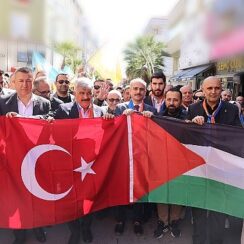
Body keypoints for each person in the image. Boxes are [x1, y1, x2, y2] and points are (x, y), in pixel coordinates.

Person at [54, 77, 112, 244]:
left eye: (88, 93)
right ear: (75, 93)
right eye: (82, 93)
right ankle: (74, 230)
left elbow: (111, 131)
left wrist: (110, 118)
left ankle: (86, 227)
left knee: (89, 197)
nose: (86, 96)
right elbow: (50, 126)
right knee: (71, 198)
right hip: (70, 163)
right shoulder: (62, 110)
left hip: (92, 164)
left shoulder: (101, 111)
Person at [187, 76, 241, 244]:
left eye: (216, 88)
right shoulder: (193, 108)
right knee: (199, 209)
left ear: (221, 88)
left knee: (218, 209)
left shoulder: (231, 110)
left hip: (221, 168)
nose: (213, 91)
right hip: (200, 167)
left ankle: (216, 241)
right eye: (209, 88)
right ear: (203, 90)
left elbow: (237, 135)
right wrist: (190, 123)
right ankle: (198, 241)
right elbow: (185, 134)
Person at [0, 67, 50, 244]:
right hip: (12, 160)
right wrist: (6, 119)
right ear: (13, 83)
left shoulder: (44, 103)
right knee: (15, 198)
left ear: (33, 82)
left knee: (36, 196)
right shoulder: (2, 102)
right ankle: (19, 234)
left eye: (28, 80)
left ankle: (38, 227)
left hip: (36, 158)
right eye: (20, 81)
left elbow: (49, 124)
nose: (25, 84)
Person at [113, 78, 156, 236]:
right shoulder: (119, 108)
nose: (138, 92)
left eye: (141, 89)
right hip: (124, 156)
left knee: (140, 188)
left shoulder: (152, 110)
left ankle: (138, 220)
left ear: (145, 92)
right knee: (122, 188)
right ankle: (120, 219)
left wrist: (152, 119)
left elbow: (156, 134)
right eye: (135, 89)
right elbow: (112, 130)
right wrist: (121, 118)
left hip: (143, 156)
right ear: (129, 91)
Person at [154, 87, 187, 239]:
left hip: (180, 163)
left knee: (177, 193)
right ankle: (163, 222)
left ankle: (174, 221)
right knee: (161, 192)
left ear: (180, 101)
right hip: (161, 162)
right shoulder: (156, 117)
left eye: (175, 100)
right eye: (169, 99)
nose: (172, 103)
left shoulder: (188, 117)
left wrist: (194, 123)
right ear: (165, 100)